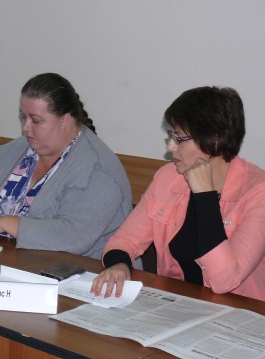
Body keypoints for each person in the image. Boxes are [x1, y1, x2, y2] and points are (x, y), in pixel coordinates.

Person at [0, 73, 131, 260]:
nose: (26, 127)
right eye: (23, 118)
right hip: (7, 262)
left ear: (65, 120)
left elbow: (73, 237)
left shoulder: (97, 170)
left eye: (36, 120)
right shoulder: (17, 150)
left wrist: (8, 223)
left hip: (81, 273)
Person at [92, 87, 265, 301]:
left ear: (215, 140)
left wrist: (205, 196)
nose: (170, 146)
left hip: (240, 311)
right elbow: (125, 240)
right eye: (171, 136)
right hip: (178, 304)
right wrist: (119, 265)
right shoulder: (169, 177)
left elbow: (225, 281)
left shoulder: (258, 192)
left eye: (179, 138)